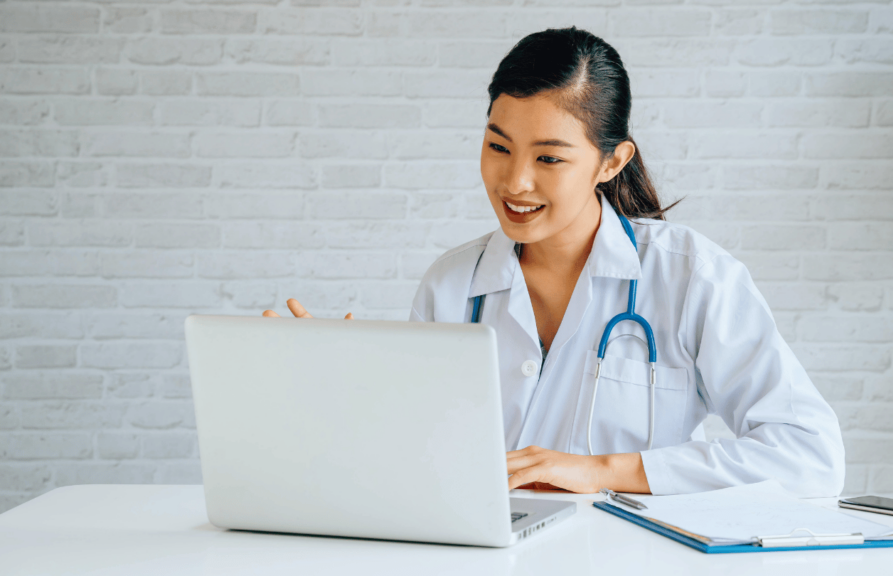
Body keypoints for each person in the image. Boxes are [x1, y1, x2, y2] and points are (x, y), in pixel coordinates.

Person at [264, 27, 845, 498]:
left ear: (612, 162)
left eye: (549, 157)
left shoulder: (690, 276)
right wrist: (338, 387)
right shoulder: (451, 286)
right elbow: (417, 462)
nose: (514, 182)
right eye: (498, 146)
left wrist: (605, 471)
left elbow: (810, 456)